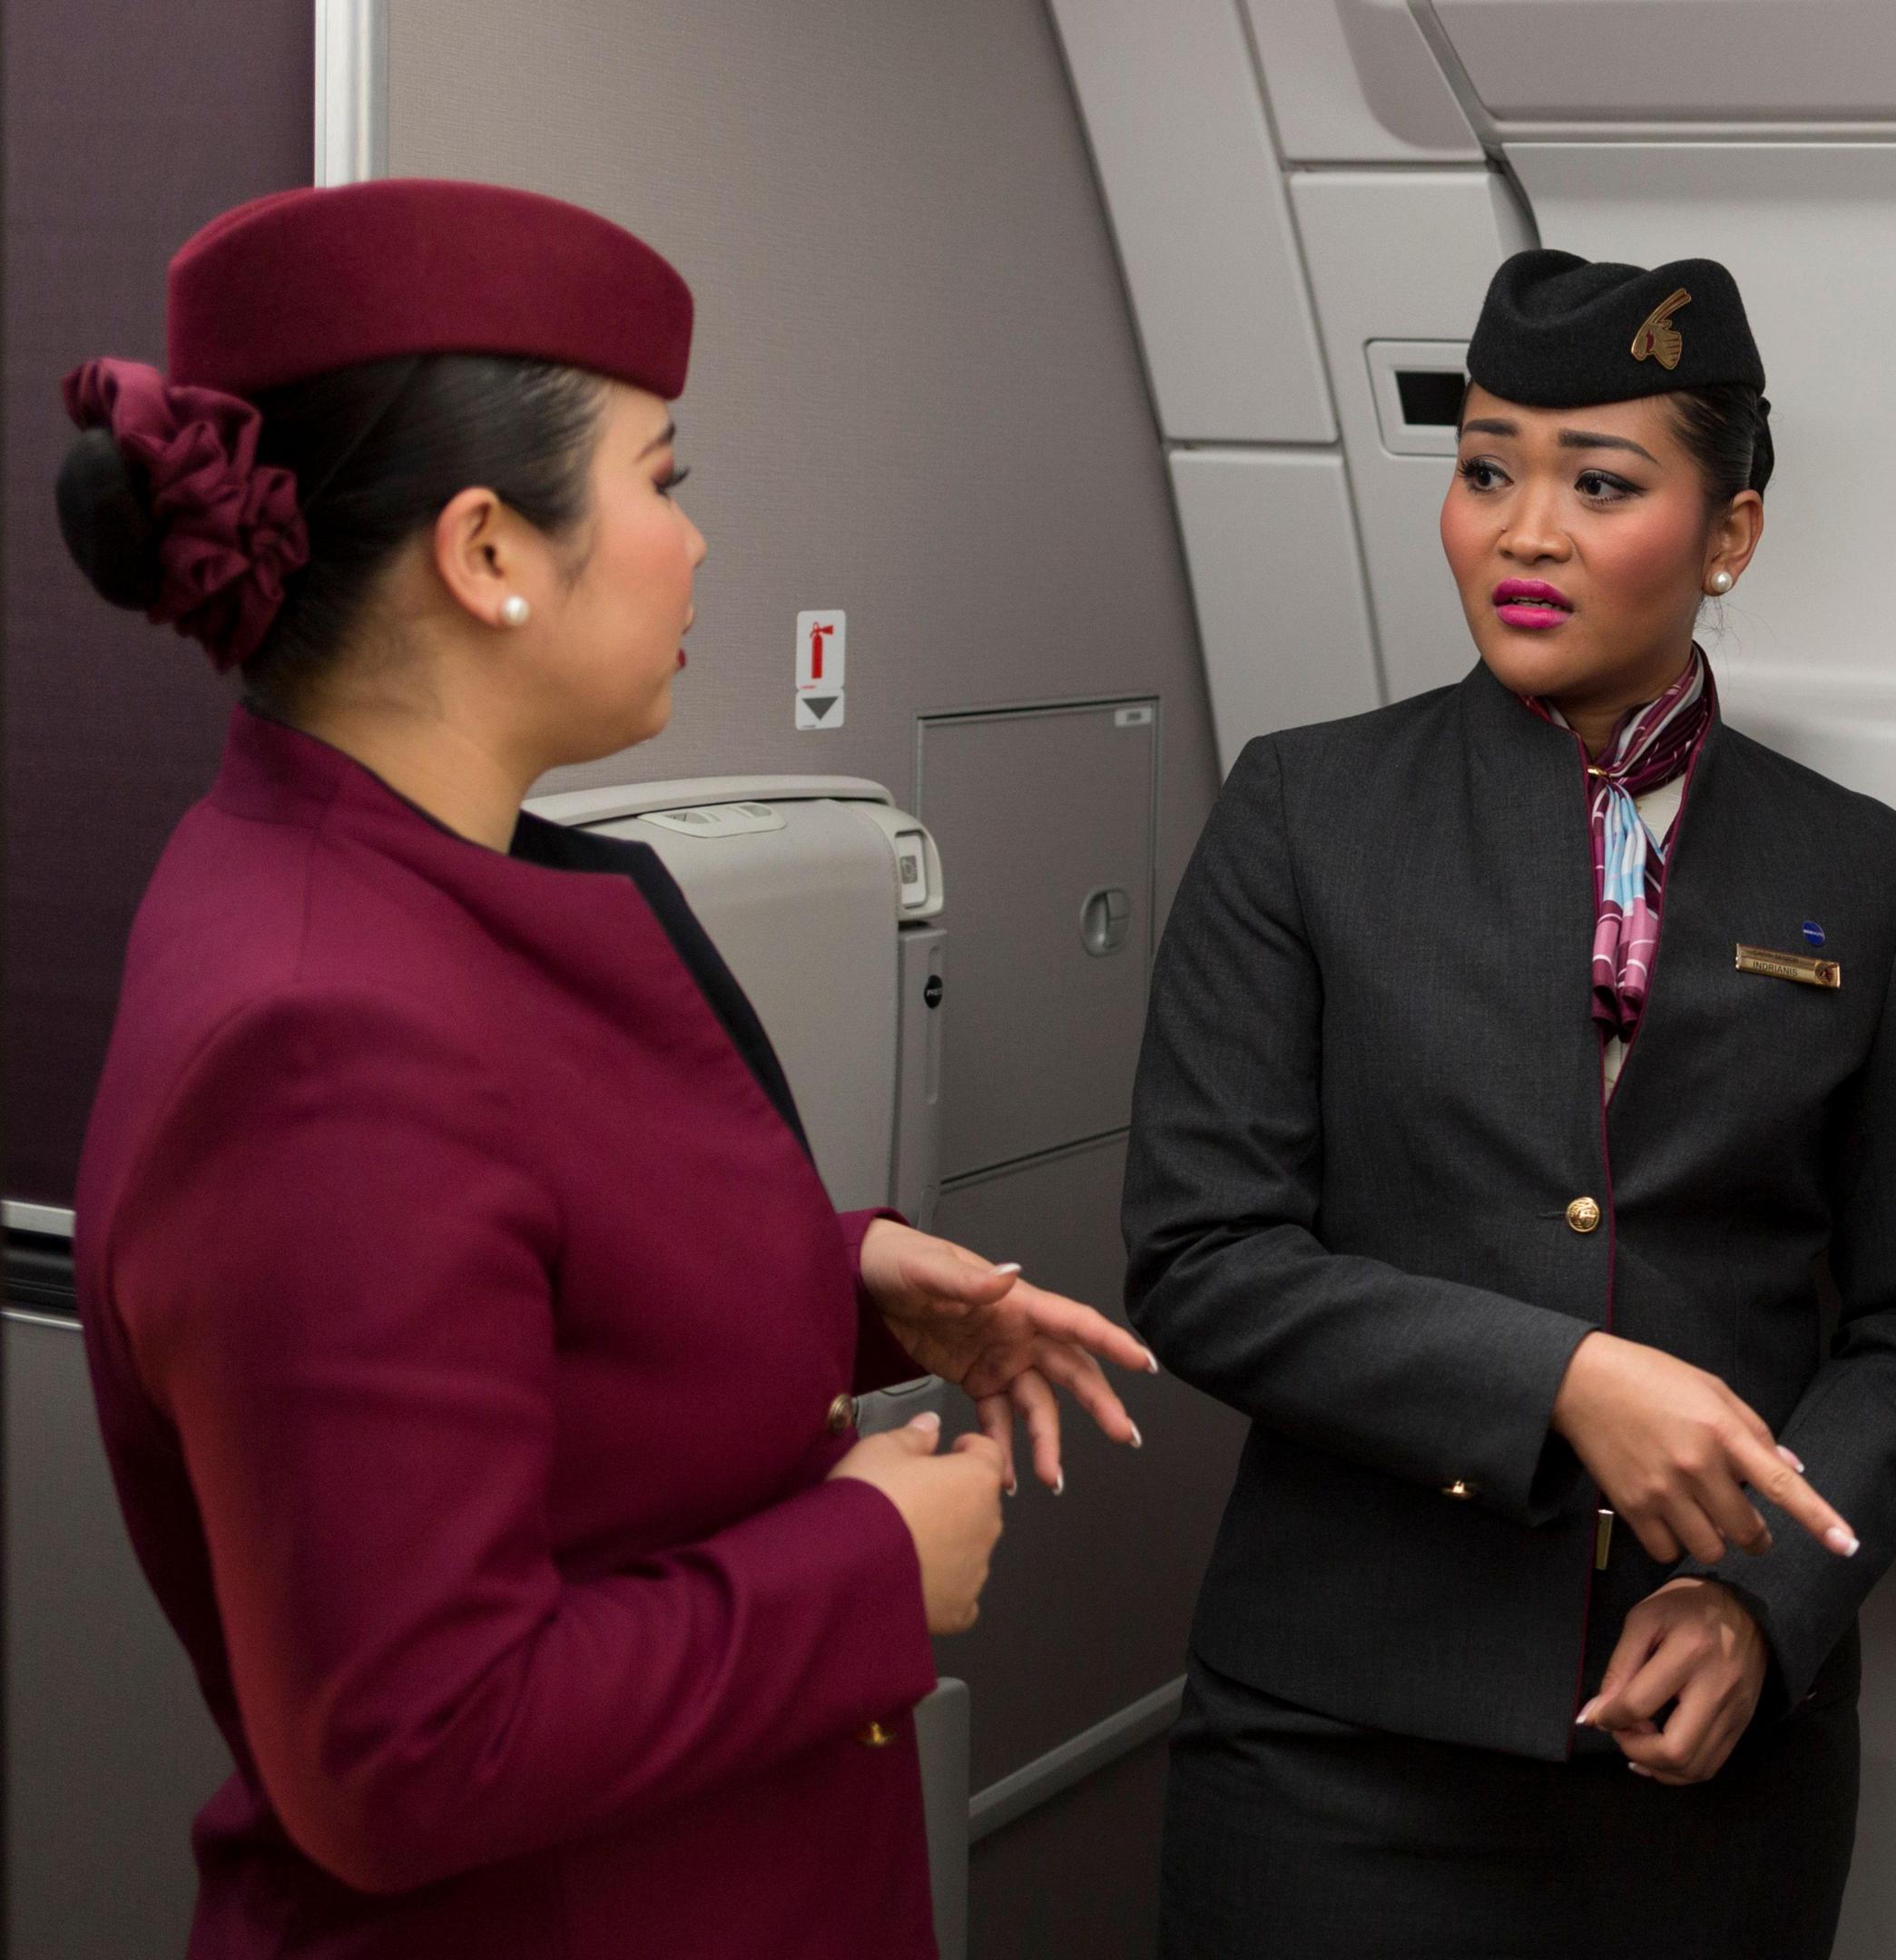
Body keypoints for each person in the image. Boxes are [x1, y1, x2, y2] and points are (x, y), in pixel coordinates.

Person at [56, 179, 1156, 1956]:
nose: (697, 543)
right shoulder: (316, 1033)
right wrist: (871, 1566)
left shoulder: (425, 885)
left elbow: (526, 1275)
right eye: (664, 482)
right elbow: (412, 1745)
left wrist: (852, 1273)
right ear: (488, 551)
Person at [1125, 249, 1896, 1959]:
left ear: (1729, 533)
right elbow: (1204, 1258)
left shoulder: (1859, 870)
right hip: (1336, 1741)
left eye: (1598, 482)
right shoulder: (1307, 814)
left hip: (1704, 1759)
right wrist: (1562, 1382)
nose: (1522, 530)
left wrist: (1766, 1602)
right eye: (1484, 469)